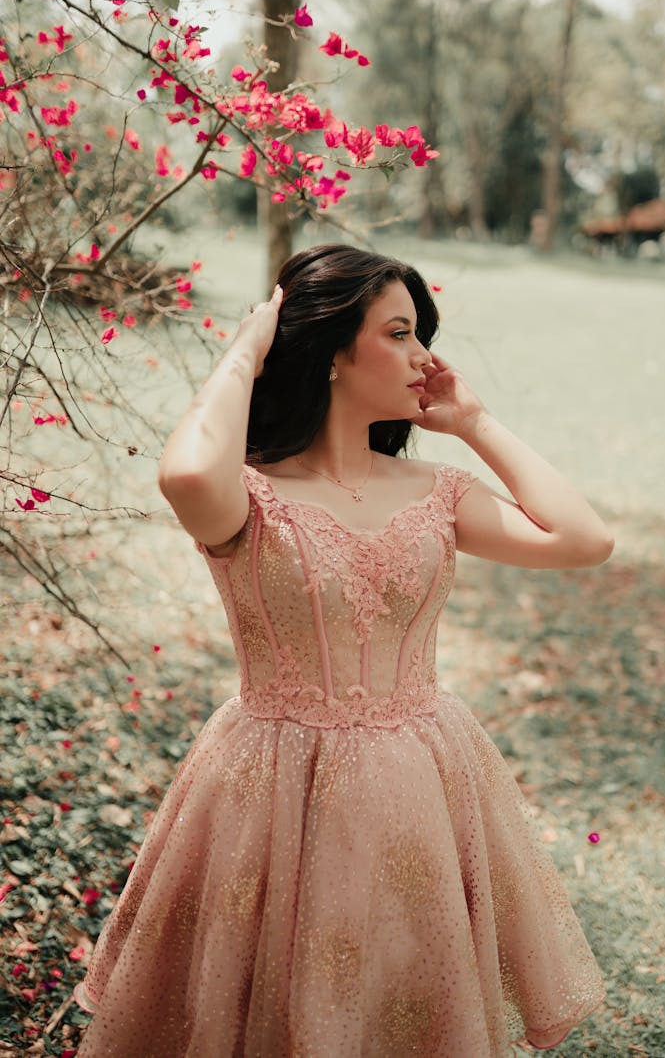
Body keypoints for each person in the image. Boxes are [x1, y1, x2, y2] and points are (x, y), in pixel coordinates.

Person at [73, 243, 612, 1057]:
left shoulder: (437, 491)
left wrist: (475, 424)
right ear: (329, 350)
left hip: (425, 786)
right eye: (398, 332)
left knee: (406, 1002)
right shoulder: (245, 493)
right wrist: (246, 351)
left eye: (420, 333)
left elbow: (585, 538)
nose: (422, 355)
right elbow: (184, 474)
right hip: (272, 792)